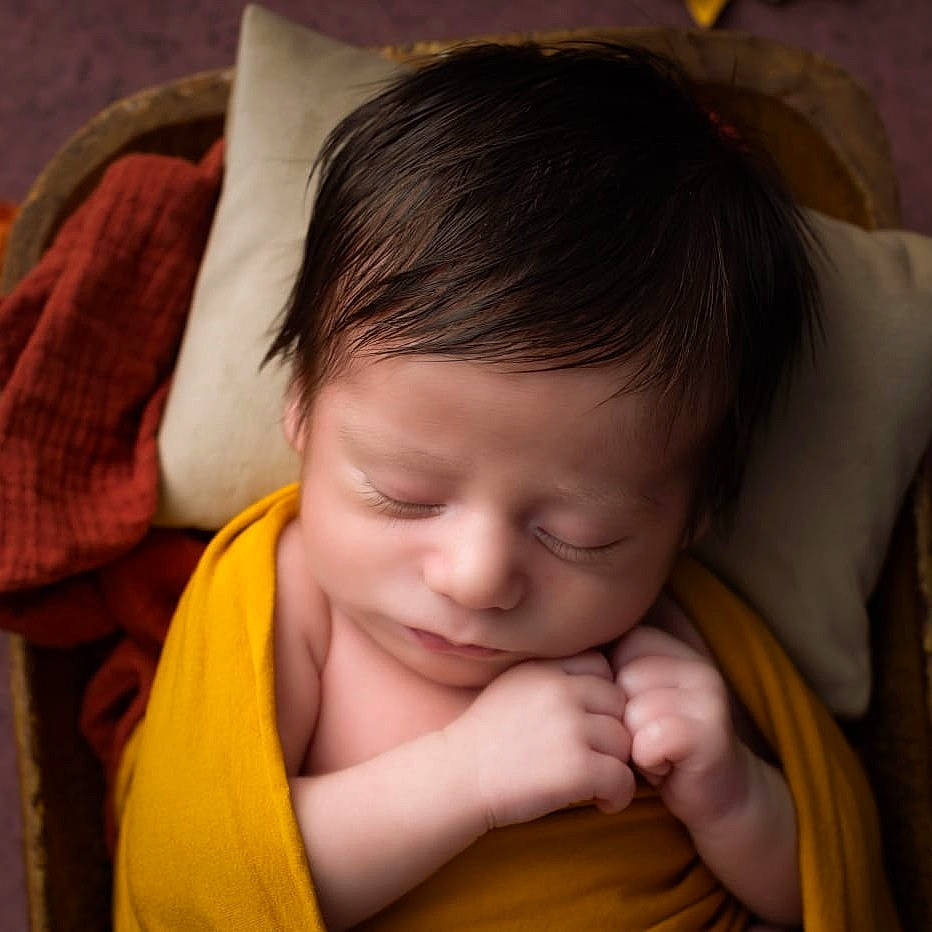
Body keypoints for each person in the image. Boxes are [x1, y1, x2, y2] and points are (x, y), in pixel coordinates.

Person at [117, 42, 898, 931]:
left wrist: (735, 799)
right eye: (405, 494)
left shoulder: (679, 640)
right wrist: (466, 778)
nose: (476, 577)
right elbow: (193, 880)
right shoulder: (286, 600)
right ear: (299, 409)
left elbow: (837, 889)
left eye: (579, 535)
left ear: (692, 516)